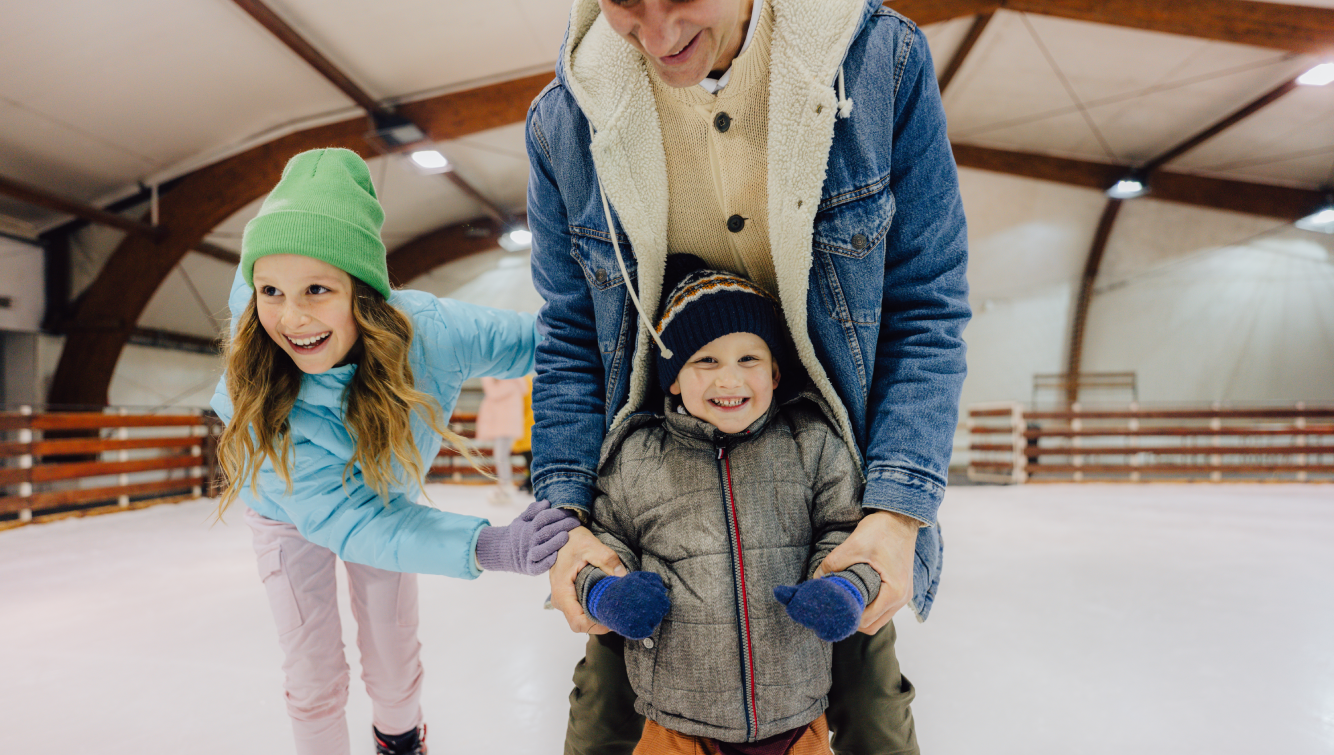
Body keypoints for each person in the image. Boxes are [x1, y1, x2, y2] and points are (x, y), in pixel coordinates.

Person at [524, 0, 970, 752]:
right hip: (657, 472)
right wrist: (566, 522)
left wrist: (895, 513)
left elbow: (925, 305)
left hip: (834, 474)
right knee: (602, 709)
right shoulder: (564, 122)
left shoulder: (877, 61)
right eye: (627, 5)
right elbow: (569, 336)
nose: (658, 35)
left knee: (874, 707)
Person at [210, 148, 579, 755]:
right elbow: (347, 521)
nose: (291, 318)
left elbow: (547, 341)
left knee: (392, 647)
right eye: (270, 290)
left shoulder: (430, 331)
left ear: (362, 291)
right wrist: (487, 544)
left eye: (317, 289)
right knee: (312, 671)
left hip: (386, 496)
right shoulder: (263, 383)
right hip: (284, 512)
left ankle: (401, 742)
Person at [576, 258, 882, 754]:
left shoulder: (810, 442)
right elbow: (603, 542)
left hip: (797, 711)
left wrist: (846, 587)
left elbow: (848, 530)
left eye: (748, 359)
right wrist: (606, 592)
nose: (729, 379)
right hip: (676, 719)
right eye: (706, 361)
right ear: (673, 379)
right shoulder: (636, 457)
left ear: (776, 372)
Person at [476, 376, 529, 504]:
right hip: (506, 424)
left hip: (505, 424)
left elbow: (492, 392)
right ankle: (504, 486)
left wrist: (488, 377)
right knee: (501, 456)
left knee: (500, 456)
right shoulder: (514, 381)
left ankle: (505, 487)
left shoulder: (507, 382)